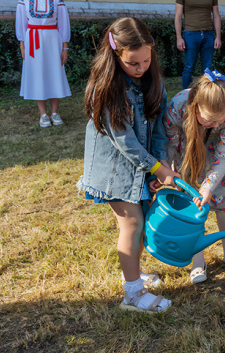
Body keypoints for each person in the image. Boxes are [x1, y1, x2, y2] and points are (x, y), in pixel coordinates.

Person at [77, 17, 179, 313]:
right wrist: (157, 168)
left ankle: (133, 273)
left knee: (139, 220)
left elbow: (159, 128)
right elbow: (125, 141)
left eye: (146, 60)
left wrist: (158, 164)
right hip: (114, 170)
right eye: (133, 63)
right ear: (115, 55)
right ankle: (133, 294)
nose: (141, 68)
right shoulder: (107, 88)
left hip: (140, 167)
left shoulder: (153, 83)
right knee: (132, 223)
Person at [163, 70, 225, 283]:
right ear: (195, 107)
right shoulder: (176, 108)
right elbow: (169, 143)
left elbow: (224, 154)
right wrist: (166, 169)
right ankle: (197, 261)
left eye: (221, 121)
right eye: (210, 120)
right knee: (192, 209)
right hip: (188, 157)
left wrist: (209, 186)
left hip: (221, 161)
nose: (217, 125)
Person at [16, 0, 71, 127]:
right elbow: (21, 24)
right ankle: (43, 114)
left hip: (52, 40)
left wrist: (65, 47)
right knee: (37, 74)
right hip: (32, 40)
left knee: (54, 72)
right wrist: (22, 46)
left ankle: (55, 112)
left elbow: (63, 25)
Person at [175, 0, 222, 90]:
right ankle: (186, 95)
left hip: (208, 34)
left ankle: (206, 94)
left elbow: (216, 16)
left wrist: (218, 37)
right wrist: (179, 37)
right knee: (189, 67)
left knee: (208, 68)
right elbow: (178, 16)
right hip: (191, 34)